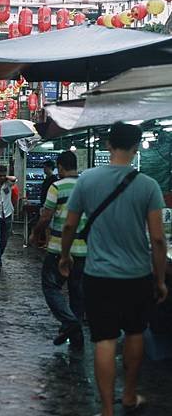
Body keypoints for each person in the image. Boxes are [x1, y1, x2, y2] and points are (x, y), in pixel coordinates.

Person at [60, 122, 168, 416]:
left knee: (104, 340)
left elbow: (70, 224)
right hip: (137, 275)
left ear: (108, 145)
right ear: (136, 148)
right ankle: (130, 396)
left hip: (99, 275)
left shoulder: (87, 180)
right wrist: (160, 280)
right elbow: (158, 239)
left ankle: (107, 410)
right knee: (135, 333)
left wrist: (65, 255)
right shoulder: (148, 186)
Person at [30, 151, 87, 349]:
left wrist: (35, 233)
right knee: (76, 292)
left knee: (51, 287)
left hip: (59, 248)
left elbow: (46, 217)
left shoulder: (57, 187)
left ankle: (69, 323)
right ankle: (76, 335)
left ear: (61, 167)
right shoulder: (87, 187)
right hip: (83, 250)